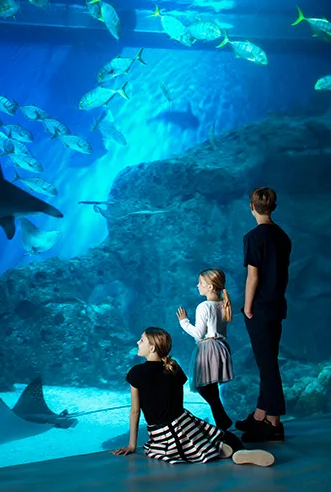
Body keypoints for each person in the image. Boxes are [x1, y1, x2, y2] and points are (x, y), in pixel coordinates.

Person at [112, 327, 274, 467]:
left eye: (141, 340)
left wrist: (131, 445)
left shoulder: (136, 372)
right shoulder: (174, 367)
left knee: (168, 449)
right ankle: (233, 449)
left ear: (152, 348)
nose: (137, 342)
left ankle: (212, 449)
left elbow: (135, 411)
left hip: (163, 434)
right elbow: (177, 403)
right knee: (217, 433)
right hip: (185, 422)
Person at [236, 186, 292, 443]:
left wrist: (248, 307)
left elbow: (253, 276)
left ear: (251, 207)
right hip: (277, 305)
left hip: (260, 308)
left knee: (267, 365)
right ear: (273, 207)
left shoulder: (253, 237)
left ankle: (274, 423)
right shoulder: (283, 237)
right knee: (267, 362)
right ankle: (260, 415)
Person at [176, 268, 235, 432]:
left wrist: (184, 322)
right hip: (221, 347)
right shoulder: (224, 304)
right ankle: (222, 421)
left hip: (208, 348)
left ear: (210, 287)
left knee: (203, 386)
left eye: (201, 282)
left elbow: (199, 333)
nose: (198, 285)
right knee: (210, 386)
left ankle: (222, 420)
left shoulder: (204, 306)